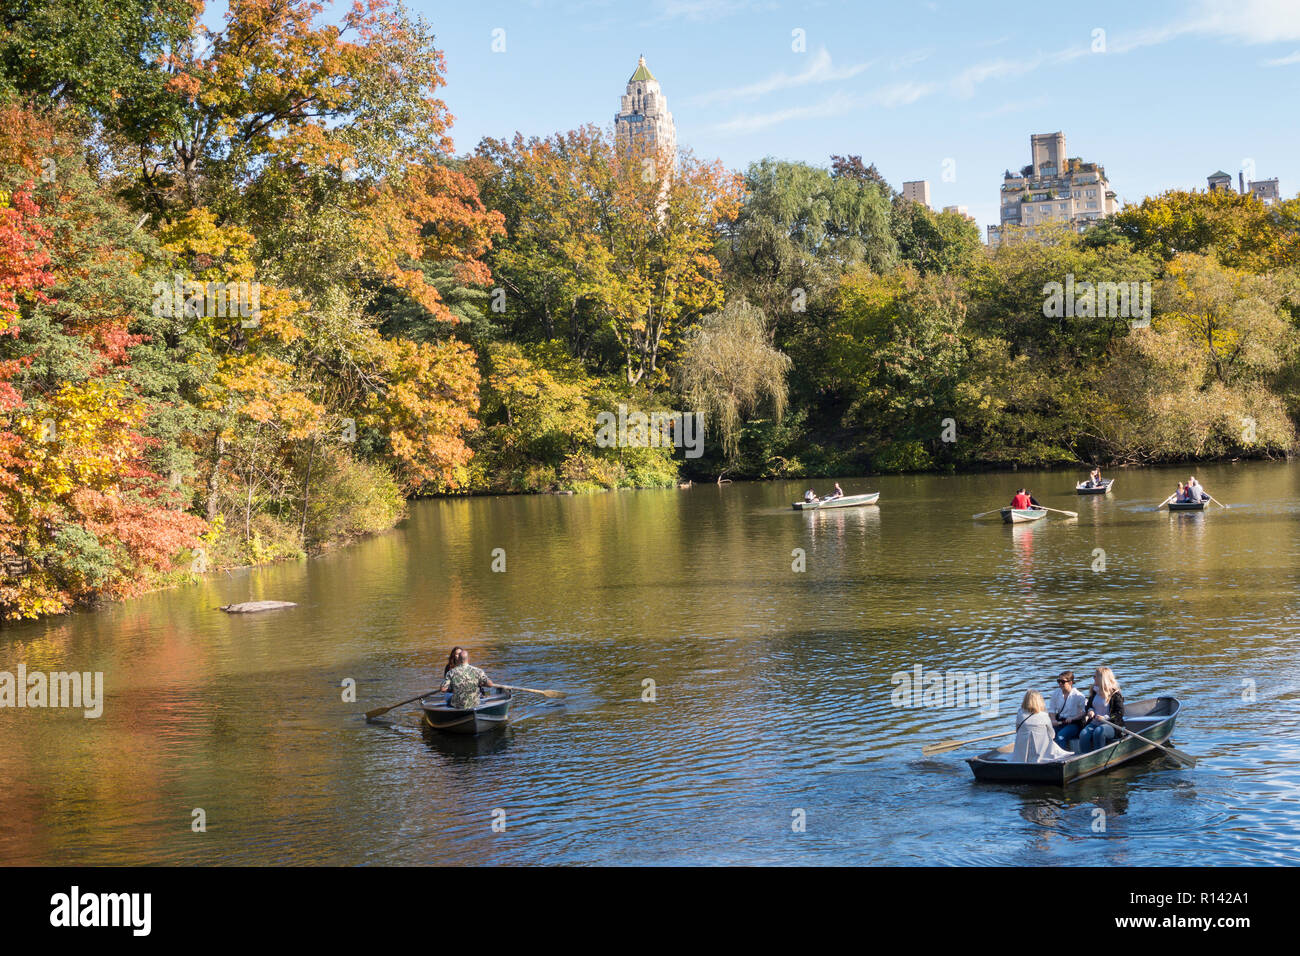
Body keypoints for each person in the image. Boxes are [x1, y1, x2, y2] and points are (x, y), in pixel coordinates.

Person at [1012, 691, 1071, 763]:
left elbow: (1017, 730)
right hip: (1041, 752)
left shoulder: (1020, 713)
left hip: (1021, 752)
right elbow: (1052, 734)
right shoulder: (1044, 715)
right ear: (1039, 701)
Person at [1079, 665, 1125, 753]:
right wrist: (1090, 711)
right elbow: (1088, 706)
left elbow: (1119, 713)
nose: (1093, 678)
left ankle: (1099, 757)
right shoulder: (1094, 691)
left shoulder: (1115, 695)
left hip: (1111, 725)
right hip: (1095, 723)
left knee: (1099, 732)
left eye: (1094, 676)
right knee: (1083, 734)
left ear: (1101, 678)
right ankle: (1084, 758)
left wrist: (1105, 718)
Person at [1048, 670, 1087, 748]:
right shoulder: (1056, 693)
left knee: (1060, 736)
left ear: (1070, 683)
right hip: (1060, 722)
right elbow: (1051, 710)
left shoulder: (1079, 696)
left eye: (1062, 682)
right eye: (1058, 681)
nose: (1060, 684)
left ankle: (1062, 758)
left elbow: (1083, 712)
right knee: (1047, 734)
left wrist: (1073, 718)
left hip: (1074, 724)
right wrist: (1053, 720)